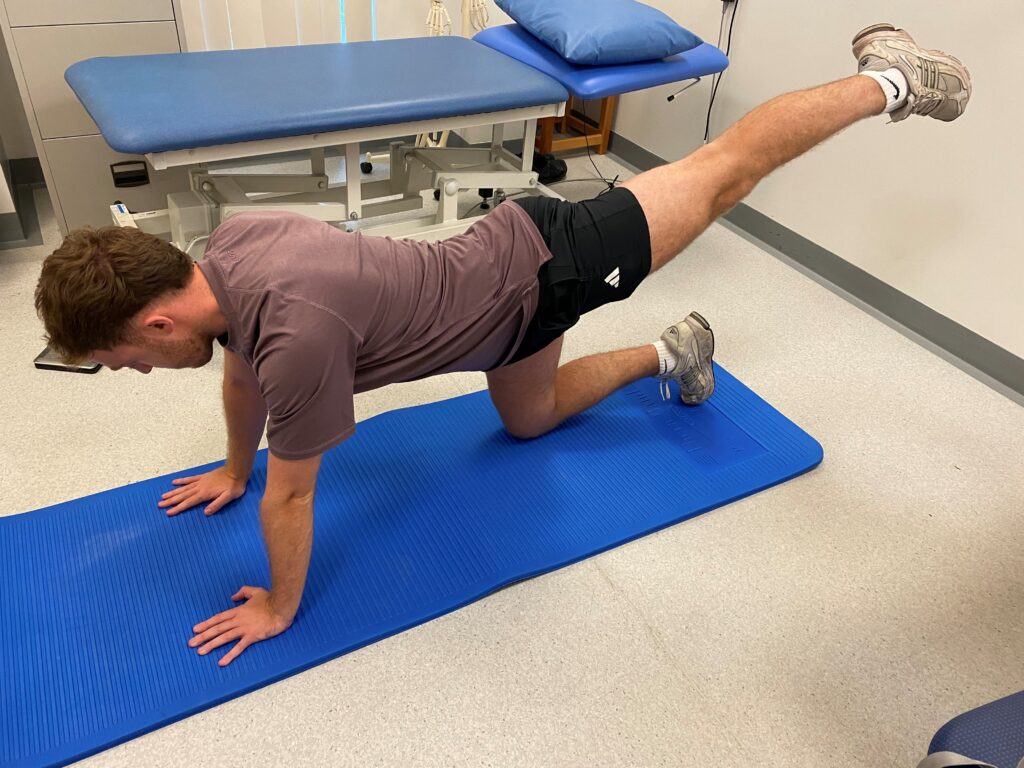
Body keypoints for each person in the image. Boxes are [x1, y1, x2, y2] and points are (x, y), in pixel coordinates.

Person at [33, 24, 970, 666]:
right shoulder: (227, 253)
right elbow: (241, 389)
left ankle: (892, 78)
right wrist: (231, 471)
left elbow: (296, 491)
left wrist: (278, 605)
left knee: (725, 170)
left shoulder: (296, 336)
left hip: (548, 263)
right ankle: (673, 351)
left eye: (122, 357)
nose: (130, 371)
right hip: (504, 322)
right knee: (528, 423)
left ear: (157, 321)